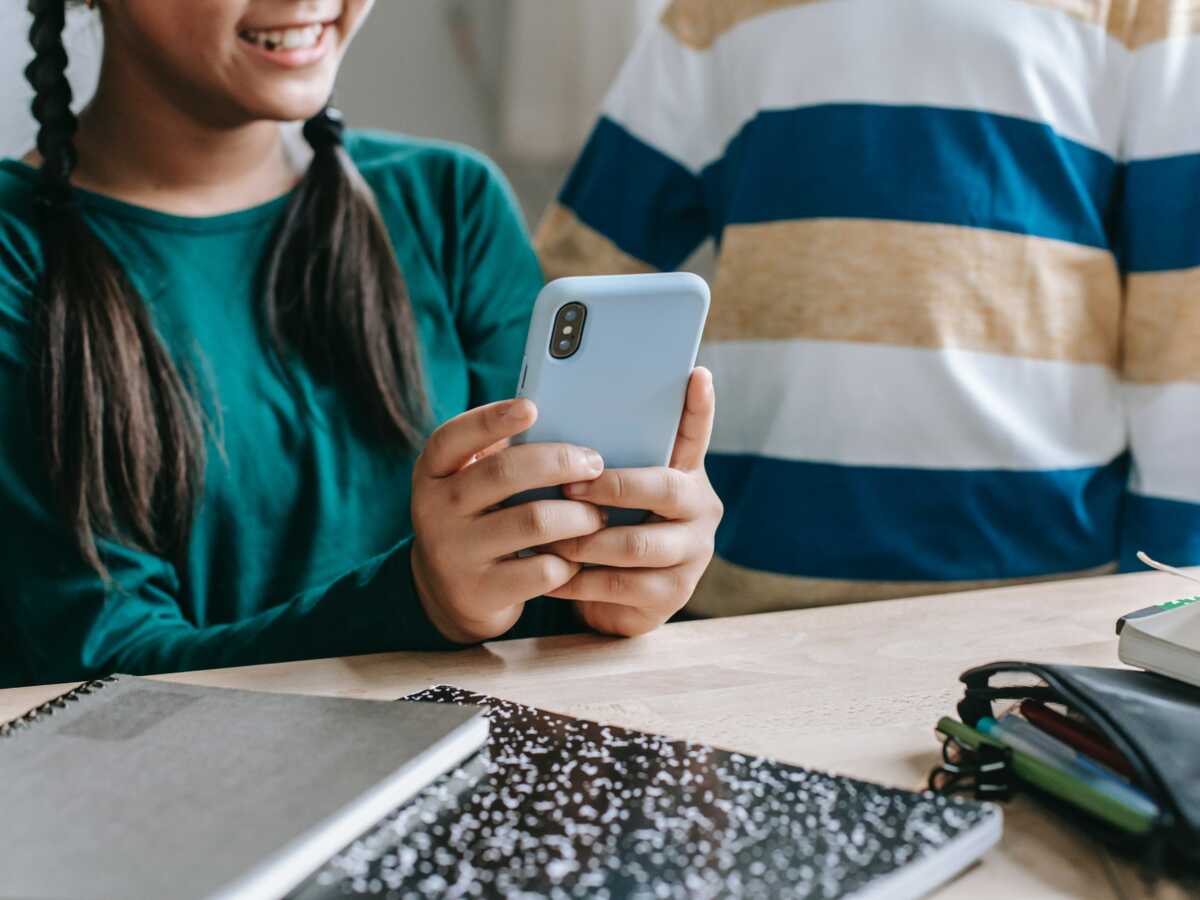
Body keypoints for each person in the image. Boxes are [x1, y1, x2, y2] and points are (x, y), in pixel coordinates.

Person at [0, 0, 723, 689]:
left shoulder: (451, 205)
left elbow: (530, 593)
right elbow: (97, 671)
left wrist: (608, 588)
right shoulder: (16, 254)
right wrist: (419, 603)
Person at [537, 0, 1200, 616]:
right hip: (747, 597)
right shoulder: (717, 9)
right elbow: (579, 274)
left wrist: (1166, 603)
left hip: (1036, 601)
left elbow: (1183, 331)